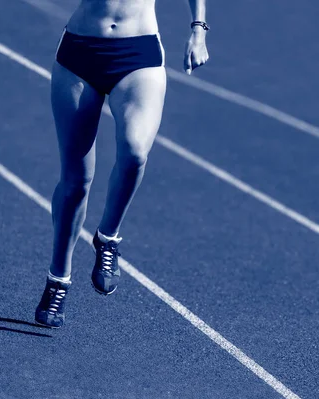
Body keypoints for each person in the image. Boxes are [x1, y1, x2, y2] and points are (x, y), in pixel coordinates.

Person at [35, 0, 209, 328]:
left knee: (134, 152)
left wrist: (198, 30)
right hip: (80, 52)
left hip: (138, 53)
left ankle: (108, 238)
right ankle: (58, 279)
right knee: (75, 183)